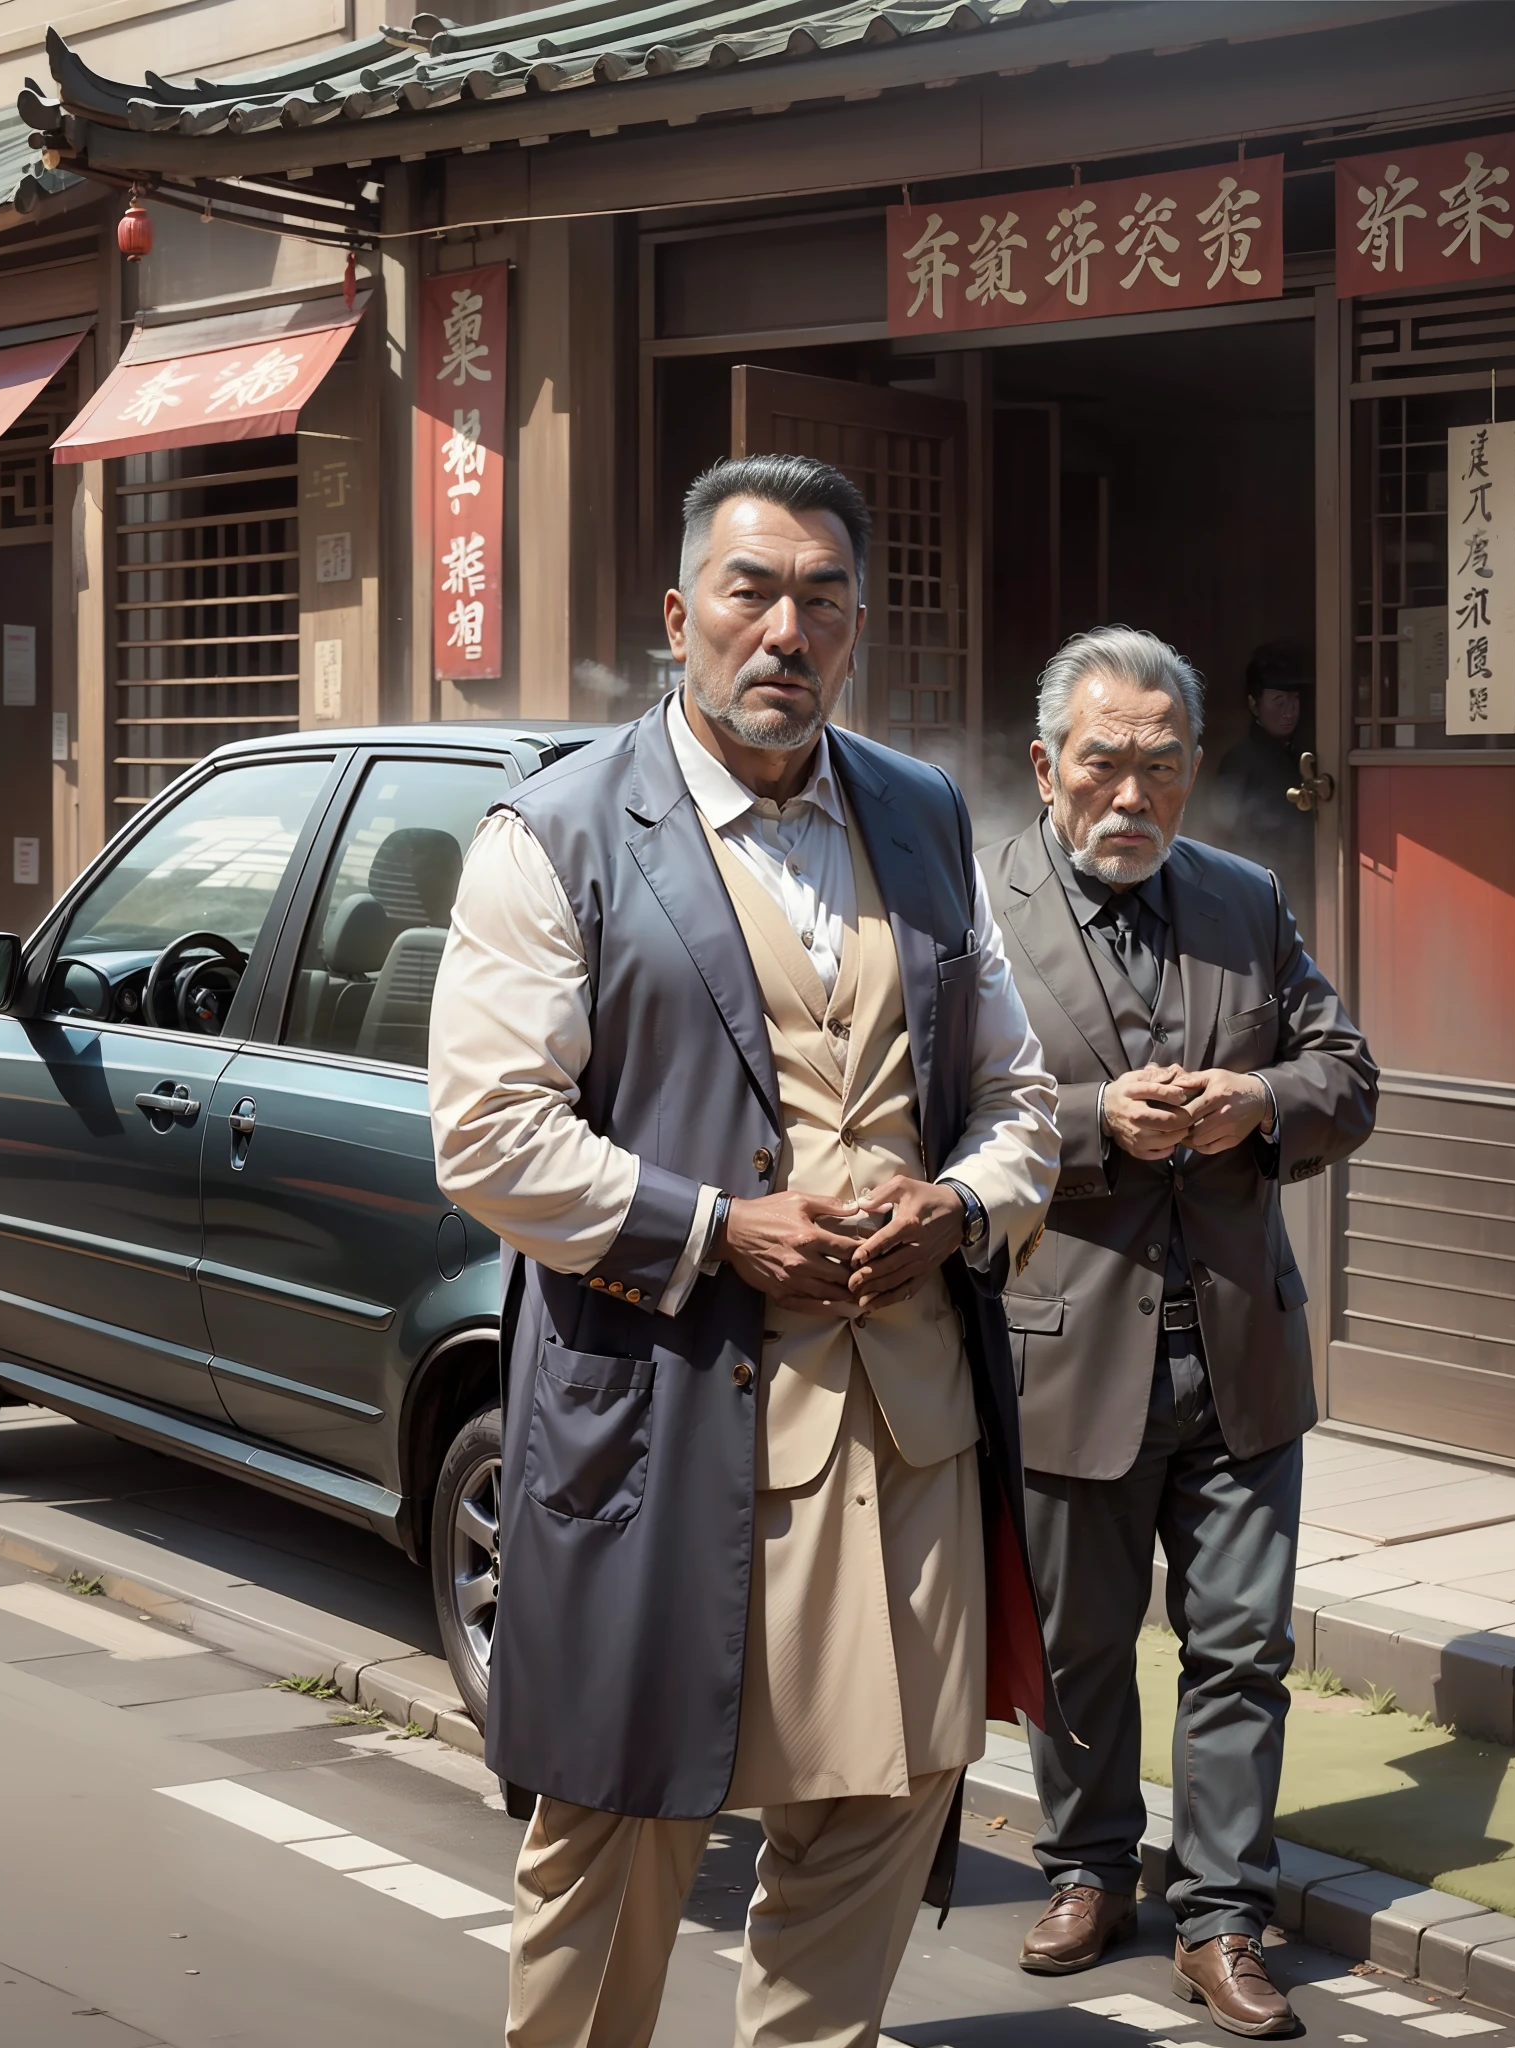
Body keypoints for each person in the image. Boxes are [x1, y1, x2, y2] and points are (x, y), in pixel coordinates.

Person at [428, 454, 1062, 2048]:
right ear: (680, 617)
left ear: (857, 628)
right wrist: (714, 1226)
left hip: (910, 1420)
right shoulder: (558, 831)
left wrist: (964, 1204)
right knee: (622, 1819)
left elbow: (1024, 1091)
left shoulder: (919, 816)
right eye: (753, 591)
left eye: (824, 600)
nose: (788, 629)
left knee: (897, 1792)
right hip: (667, 1410)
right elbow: (490, 1137)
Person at [985, 627, 1377, 2038]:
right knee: (1082, 1647)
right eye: (1104, 764)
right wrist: (1097, 1126)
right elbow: (934, 1124)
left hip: (1238, 1352)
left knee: (1240, 1650)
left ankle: (1221, 1915)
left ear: (1193, 768)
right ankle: (1089, 1869)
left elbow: (1347, 1072)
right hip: (1064, 1348)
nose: (1132, 797)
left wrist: (1257, 1102)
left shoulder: (1248, 900)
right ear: (1048, 766)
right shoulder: (979, 911)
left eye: (1161, 765)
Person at [1210, 645, 1313, 914]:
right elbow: (1223, 828)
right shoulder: (1240, 760)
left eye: (1294, 700)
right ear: (1254, 704)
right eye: (1278, 701)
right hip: (1262, 880)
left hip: (1302, 875)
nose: (1289, 711)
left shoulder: (1302, 752)